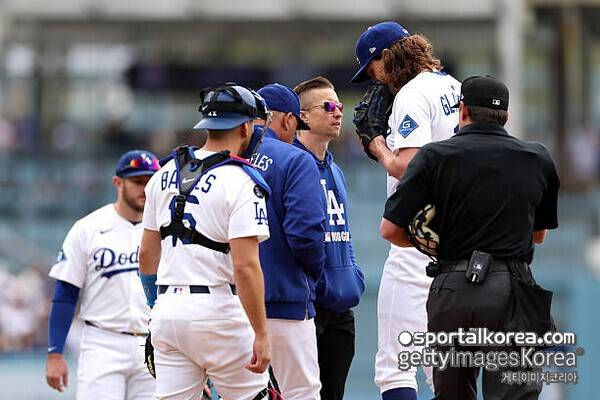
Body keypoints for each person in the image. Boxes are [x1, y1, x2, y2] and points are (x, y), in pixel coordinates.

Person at [380, 75, 559, 400]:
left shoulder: (434, 156)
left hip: (451, 287)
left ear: (462, 110)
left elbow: (390, 230)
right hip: (510, 288)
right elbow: (538, 235)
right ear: (506, 116)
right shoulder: (537, 157)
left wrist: (432, 245)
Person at [138, 83, 273, 400]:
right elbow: (246, 266)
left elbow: (146, 255)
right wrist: (261, 333)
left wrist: (156, 308)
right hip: (217, 312)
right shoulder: (241, 180)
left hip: (167, 311)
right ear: (245, 127)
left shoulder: (163, 172)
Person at [351, 21, 461, 399]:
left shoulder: (412, 94)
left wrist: (378, 146)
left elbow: (412, 167)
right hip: (459, 237)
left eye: (372, 68)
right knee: (444, 367)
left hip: (418, 237)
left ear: (387, 56)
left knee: (394, 366)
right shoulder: (453, 86)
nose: (373, 78)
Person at [45, 149, 160, 398]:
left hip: (155, 342)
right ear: (118, 182)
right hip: (103, 342)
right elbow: (65, 294)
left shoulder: (167, 229)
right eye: (138, 181)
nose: (145, 188)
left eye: (151, 181)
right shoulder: (88, 228)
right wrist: (55, 353)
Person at [243, 82, 326, 400]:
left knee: (243, 394)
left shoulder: (222, 158)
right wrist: (311, 276)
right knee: (301, 393)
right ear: (288, 120)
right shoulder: (295, 159)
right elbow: (306, 234)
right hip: (284, 301)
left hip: (231, 305)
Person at [293, 76, 366, 400]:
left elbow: (344, 234)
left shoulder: (336, 170)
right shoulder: (291, 166)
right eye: (328, 106)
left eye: (339, 106)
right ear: (303, 116)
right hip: (306, 310)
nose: (338, 112)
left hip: (340, 310)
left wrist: (353, 278)